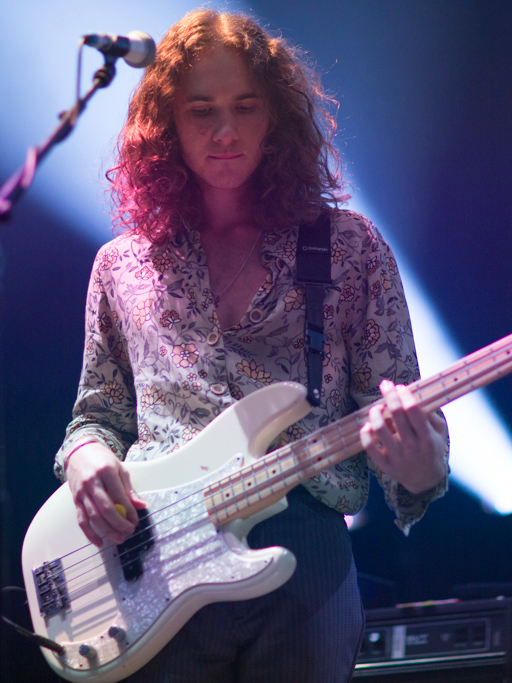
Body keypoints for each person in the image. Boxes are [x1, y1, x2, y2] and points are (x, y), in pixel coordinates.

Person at [53, 10, 450, 682]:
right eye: (201, 110)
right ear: (166, 123)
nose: (226, 131)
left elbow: (406, 434)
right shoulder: (121, 265)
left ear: (276, 117)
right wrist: (87, 459)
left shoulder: (348, 247)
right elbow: (96, 416)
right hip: (157, 560)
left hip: (304, 557)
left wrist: (421, 465)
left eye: (245, 107)